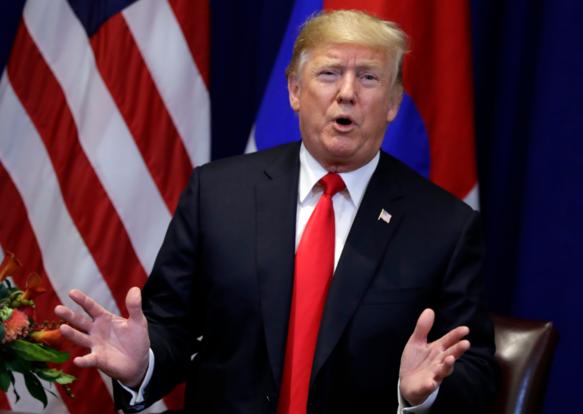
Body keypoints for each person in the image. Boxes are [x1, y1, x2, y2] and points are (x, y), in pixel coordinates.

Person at [55, 10, 496, 413]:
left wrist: (423, 394)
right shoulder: (218, 194)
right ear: (294, 91)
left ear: (394, 102)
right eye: (328, 74)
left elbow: (476, 374)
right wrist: (143, 364)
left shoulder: (445, 227)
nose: (346, 93)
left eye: (368, 78)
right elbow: (172, 327)